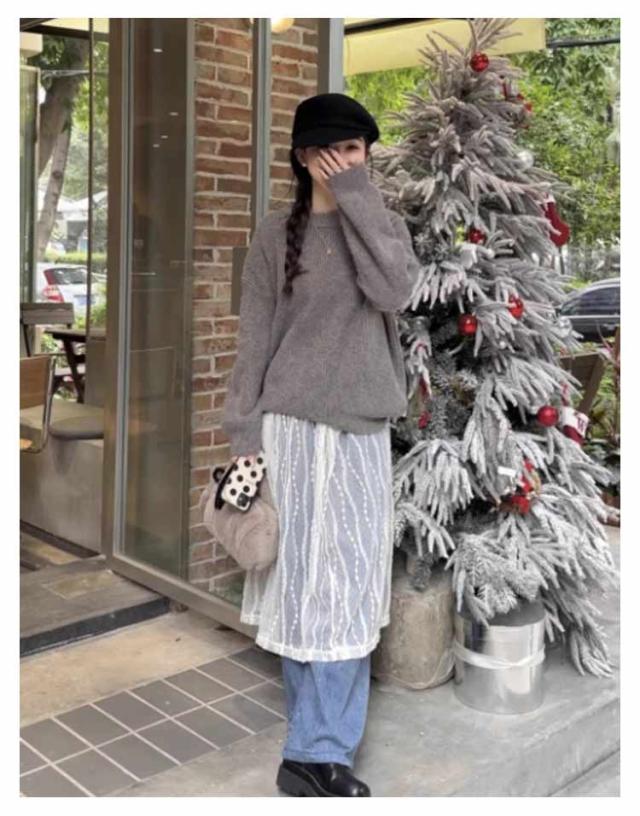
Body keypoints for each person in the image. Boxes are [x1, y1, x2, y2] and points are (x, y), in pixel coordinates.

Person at [221, 92, 421, 796]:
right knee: (300, 585)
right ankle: (317, 751)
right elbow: (254, 341)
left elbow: (394, 291)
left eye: (355, 150)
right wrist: (243, 432)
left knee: (349, 586)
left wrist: (357, 196)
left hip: (360, 432)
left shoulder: (383, 226)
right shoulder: (275, 235)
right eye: (331, 150)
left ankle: (315, 748)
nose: (343, 161)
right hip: (290, 431)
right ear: (303, 156)